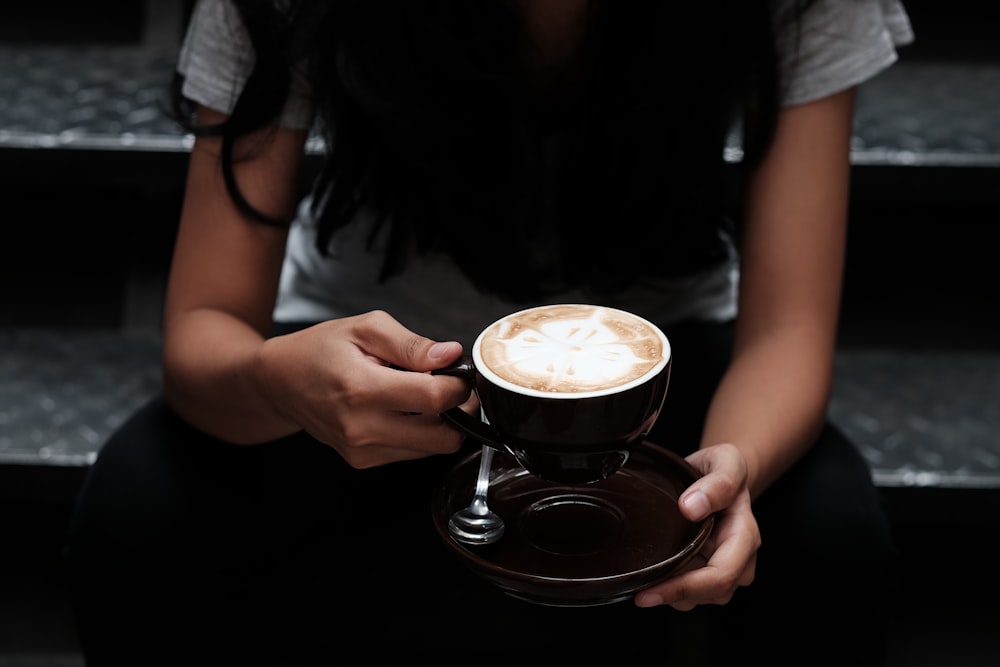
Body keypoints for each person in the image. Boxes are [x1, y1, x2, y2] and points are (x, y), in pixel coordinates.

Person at [66, 1, 914, 664]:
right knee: (139, 501)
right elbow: (205, 330)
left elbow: (789, 329)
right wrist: (274, 382)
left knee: (832, 536)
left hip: (656, 380)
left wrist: (732, 474)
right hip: (379, 365)